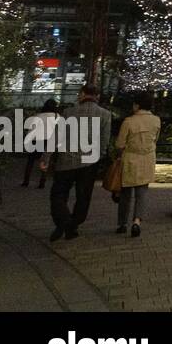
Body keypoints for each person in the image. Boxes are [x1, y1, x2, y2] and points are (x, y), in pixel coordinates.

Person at [43, 84, 114, 241]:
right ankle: (72, 224)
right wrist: (99, 156)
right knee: (83, 197)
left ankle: (63, 222)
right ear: (97, 96)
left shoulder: (68, 112)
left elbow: (56, 137)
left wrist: (46, 158)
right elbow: (104, 141)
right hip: (89, 162)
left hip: (66, 160)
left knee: (58, 195)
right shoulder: (105, 114)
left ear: (82, 94)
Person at [114, 92, 160, 237]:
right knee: (142, 193)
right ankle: (137, 221)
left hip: (130, 159)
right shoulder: (156, 120)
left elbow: (120, 144)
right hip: (148, 159)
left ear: (137, 105)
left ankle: (122, 223)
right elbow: (155, 140)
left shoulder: (129, 121)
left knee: (126, 194)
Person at [22, 99, 58, 188]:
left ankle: (26, 181)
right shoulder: (57, 117)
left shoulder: (38, 116)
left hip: (36, 140)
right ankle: (42, 182)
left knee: (30, 161)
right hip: (49, 141)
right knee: (45, 161)